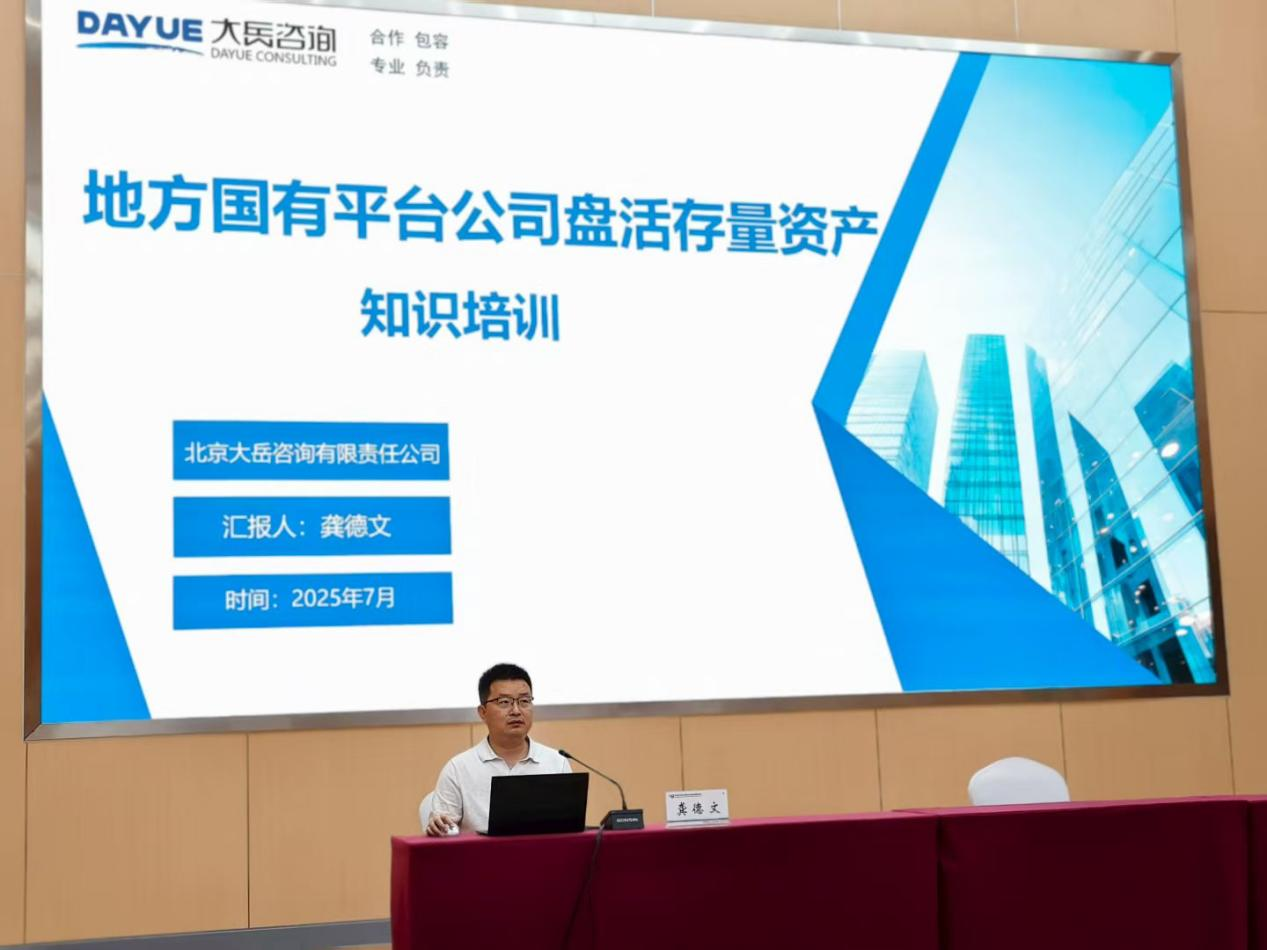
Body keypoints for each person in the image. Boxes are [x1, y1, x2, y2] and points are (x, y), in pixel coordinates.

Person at [424, 662, 570, 836]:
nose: (516, 711)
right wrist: (439, 827)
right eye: (504, 702)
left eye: (524, 701)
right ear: (483, 712)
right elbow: (445, 832)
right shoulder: (458, 769)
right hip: (481, 854)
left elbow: (568, 831)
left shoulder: (557, 763)